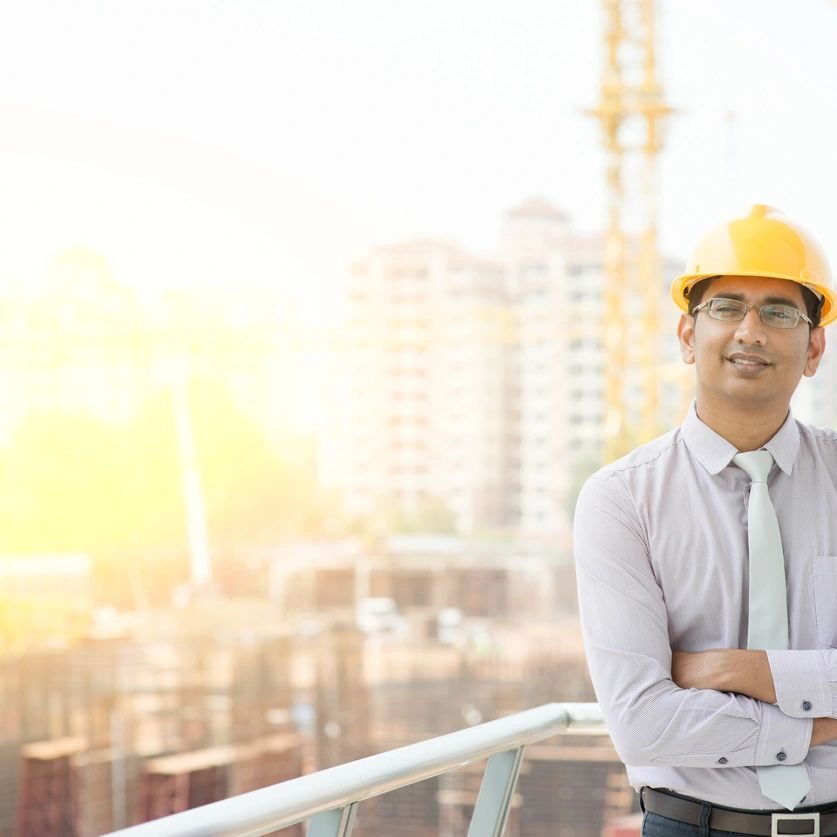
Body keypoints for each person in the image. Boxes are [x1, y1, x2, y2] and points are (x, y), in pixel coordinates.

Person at [574, 204, 837, 836]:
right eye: (727, 307)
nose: (751, 330)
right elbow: (643, 722)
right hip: (693, 827)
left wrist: (741, 670)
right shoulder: (620, 500)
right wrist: (822, 722)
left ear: (814, 348)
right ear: (689, 337)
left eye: (779, 312)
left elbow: (676, 708)